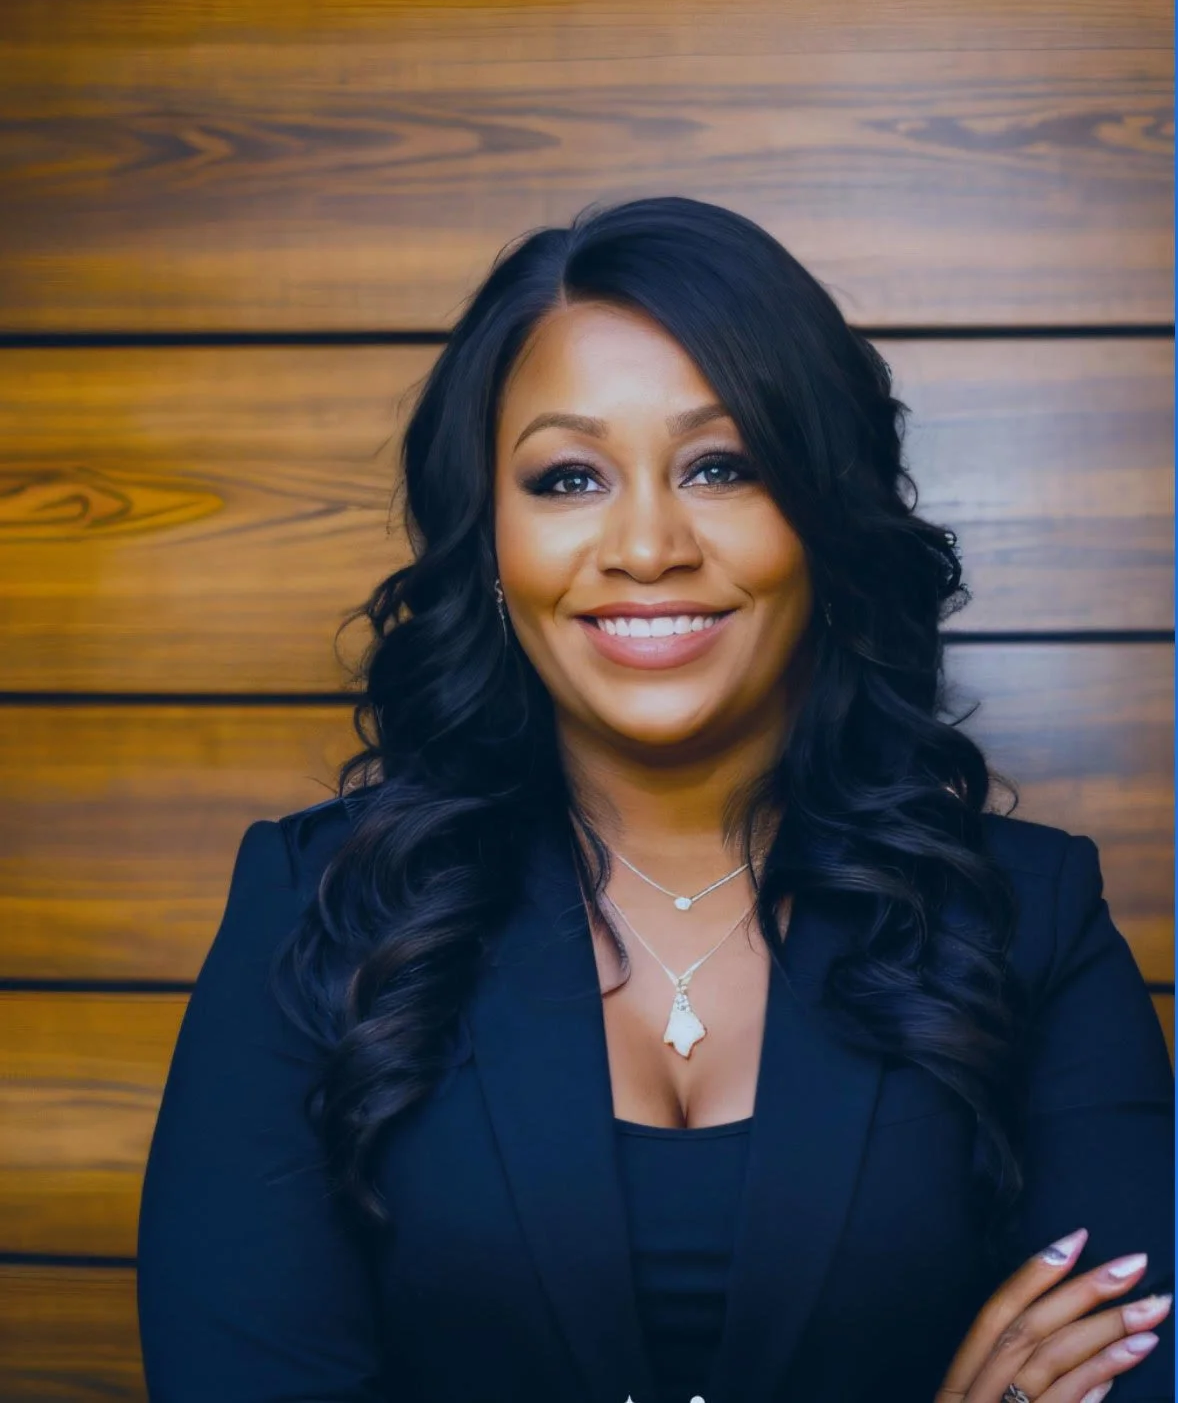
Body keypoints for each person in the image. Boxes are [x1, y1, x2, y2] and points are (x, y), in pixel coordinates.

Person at [136, 197, 1174, 1403]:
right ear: (490, 540)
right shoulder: (313, 909)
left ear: (823, 518)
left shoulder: (1029, 915)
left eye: (719, 465)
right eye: (568, 475)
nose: (644, 543)